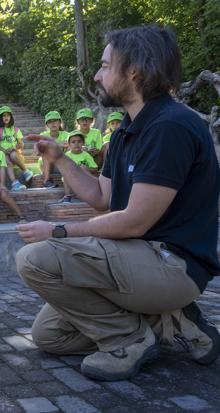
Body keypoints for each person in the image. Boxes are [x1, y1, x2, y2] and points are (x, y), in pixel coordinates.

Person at [18, 26, 220, 382]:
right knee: (50, 335)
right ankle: (167, 322)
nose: (96, 75)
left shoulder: (169, 127)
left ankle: (128, 339)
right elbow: (102, 197)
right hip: (135, 259)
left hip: (172, 264)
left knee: (35, 259)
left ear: (134, 71)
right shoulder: (127, 129)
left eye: (105, 65)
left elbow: (133, 223)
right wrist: (61, 159)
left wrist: (59, 231)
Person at [0, 105, 33, 191]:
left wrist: (17, 145)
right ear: (0, 118)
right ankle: (15, 183)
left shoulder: (15, 130)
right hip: (2, 152)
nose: (6, 117)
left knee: (12, 155)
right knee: (7, 161)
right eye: (3, 116)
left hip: (14, 152)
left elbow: (21, 144)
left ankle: (26, 171)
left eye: (8, 115)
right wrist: (4, 151)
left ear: (11, 117)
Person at [58, 130, 98, 204]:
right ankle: (67, 196)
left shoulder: (86, 155)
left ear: (83, 143)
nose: (76, 144)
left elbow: (95, 168)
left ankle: (91, 194)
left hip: (84, 178)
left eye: (79, 141)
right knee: (66, 174)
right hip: (71, 178)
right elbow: (63, 168)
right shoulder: (67, 155)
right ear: (69, 145)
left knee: (84, 168)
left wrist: (85, 168)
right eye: (73, 142)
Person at [39, 111, 69, 188]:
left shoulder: (67, 135)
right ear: (47, 125)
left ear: (60, 122)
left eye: (55, 120)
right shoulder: (43, 135)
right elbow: (39, 151)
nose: (53, 124)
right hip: (47, 165)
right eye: (49, 122)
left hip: (62, 164)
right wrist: (58, 145)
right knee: (46, 153)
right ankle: (46, 181)